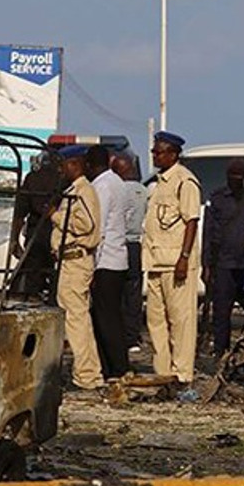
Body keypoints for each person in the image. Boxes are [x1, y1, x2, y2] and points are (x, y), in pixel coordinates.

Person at [142, 131, 202, 386]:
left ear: (173, 154)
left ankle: (182, 374)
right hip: (155, 261)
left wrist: (184, 258)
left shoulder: (184, 181)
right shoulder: (159, 184)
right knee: (156, 322)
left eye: (159, 151)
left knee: (181, 321)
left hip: (176, 262)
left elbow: (191, 222)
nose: (155, 155)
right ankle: (162, 374)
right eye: (154, 151)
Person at [50, 145, 104, 390]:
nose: (61, 171)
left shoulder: (83, 191)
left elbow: (86, 225)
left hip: (75, 260)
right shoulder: (75, 190)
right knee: (76, 318)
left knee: (76, 320)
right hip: (68, 261)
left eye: (63, 166)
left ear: (74, 164)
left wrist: (56, 216)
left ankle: (87, 375)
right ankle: (87, 373)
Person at [202, 159, 244, 356]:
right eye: (233, 176)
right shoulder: (217, 198)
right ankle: (221, 352)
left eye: (240, 177)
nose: (236, 180)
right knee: (221, 312)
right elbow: (208, 233)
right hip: (223, 263)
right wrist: (206, 265)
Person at [86, 145, 130, 379]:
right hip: (118, 258)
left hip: (105, 261)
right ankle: (113, 366)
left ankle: (116, 368)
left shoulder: (101, 186)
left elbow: (97, 229)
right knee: (111, 316)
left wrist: (91, 267)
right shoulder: (118, 182)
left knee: (106, 319)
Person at [10, 151, 59, 296]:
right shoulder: (62, 180)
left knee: (32, 278)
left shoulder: (32, 178)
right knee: (55, 278)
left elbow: (20, 213)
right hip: (55, 234)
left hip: (35, 235)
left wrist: (14, 239)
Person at [113, 152, 147, 353]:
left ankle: (117, 334)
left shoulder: (115, 189)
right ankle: (132, 337)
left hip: (116, 245)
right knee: (133, 294)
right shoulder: (143, 191)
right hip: (135, 245)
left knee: (115, 293)